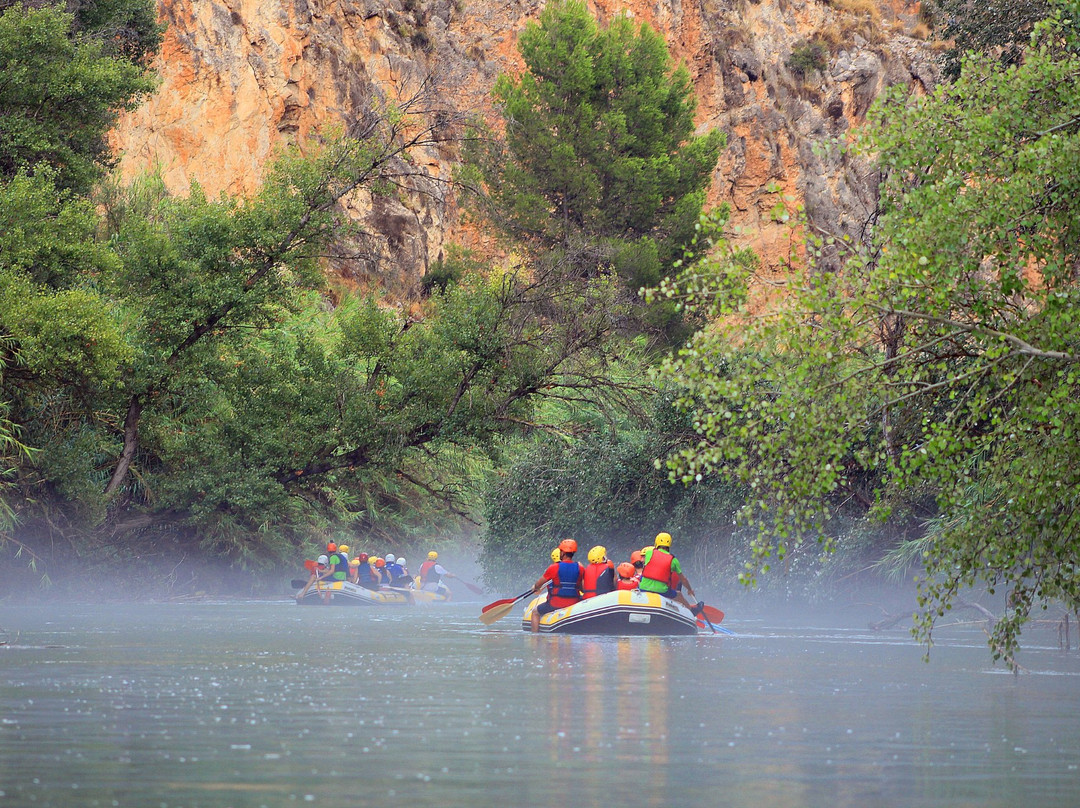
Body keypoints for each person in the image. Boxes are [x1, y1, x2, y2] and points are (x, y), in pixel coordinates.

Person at [529, 539, 584, 632]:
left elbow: (539, 584)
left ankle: (534, 637)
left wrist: (535, 587)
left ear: (562, 552)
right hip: (574, 603)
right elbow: (582, 588)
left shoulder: (554, 567)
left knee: (535, 612)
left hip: (555, 604)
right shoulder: (580, 568)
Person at [639, 532, 700, 612]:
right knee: (678, 594)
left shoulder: (649, 553)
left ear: (656, 542)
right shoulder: (674, 560)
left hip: (643, 588)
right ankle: (691, 610)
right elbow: (683, 579)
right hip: (661, 591)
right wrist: (690, 590)